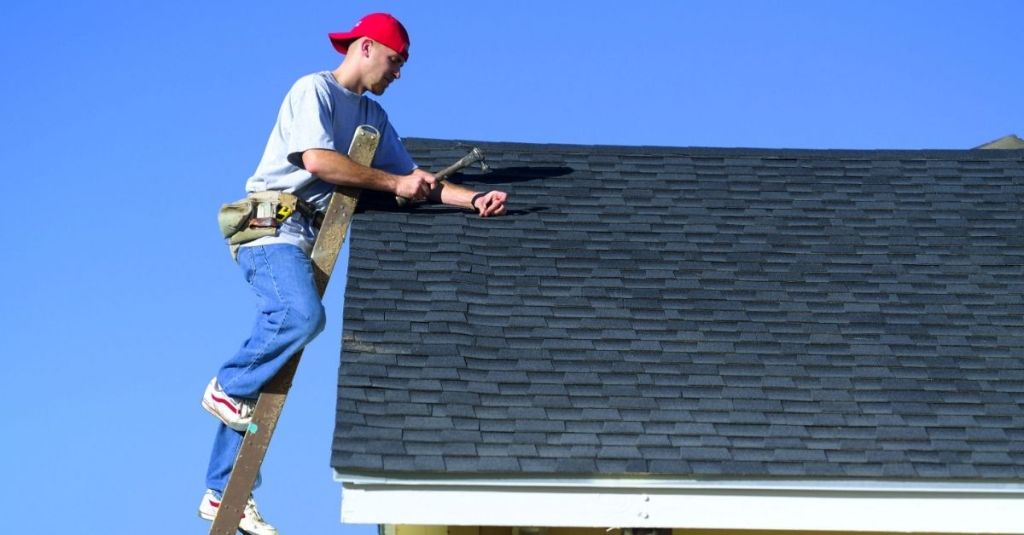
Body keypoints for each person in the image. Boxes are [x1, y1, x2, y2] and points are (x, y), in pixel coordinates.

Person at [198, 13, 507, 534]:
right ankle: (223, 384)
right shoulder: (313, 90)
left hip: (308, 238)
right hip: (272, 230)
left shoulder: (372, 118)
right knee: (299, 316)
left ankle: (222, 492)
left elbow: (413, 182)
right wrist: (392, 182)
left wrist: (471, 198)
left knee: (267, 373)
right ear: (365, 48)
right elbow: (319, 161)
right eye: (395, 60)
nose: (399, 73)